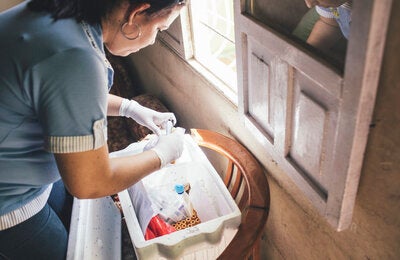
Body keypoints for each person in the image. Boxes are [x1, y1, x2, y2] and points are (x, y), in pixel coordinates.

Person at [0, 0, 186, 259]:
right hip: (8, 202)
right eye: (160, 29)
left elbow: (56, 93)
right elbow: (89, 182)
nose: (155, 40)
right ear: (137, 13)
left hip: (26, 171)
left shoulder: (55, 12)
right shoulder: (75, 56)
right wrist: (162, 154)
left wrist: (129, 108)